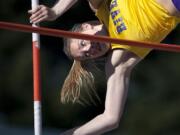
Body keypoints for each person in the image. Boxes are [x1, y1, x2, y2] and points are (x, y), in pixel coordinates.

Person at [29, 0, 180, 134]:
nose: (89, 49)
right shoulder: (118, 59)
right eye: (86, 55)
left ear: (85, 27)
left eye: (83, 43)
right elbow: (110, 118)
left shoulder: (100, 6)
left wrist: (55, 11)